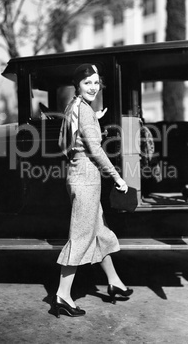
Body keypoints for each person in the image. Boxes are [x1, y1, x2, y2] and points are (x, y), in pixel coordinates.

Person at [51, 63, 133, 318]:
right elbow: (95, 150)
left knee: (98, 232)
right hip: (86, 180)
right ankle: (63, 296)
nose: (93, 87)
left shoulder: (76, 107)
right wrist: (118, 177)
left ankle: (114, 282)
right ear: (77, 85)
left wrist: (94, 121)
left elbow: (69, 139)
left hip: (80, 178)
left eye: (96, 83)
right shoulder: (84, 111)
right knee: (81, 237)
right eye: (88, 83)